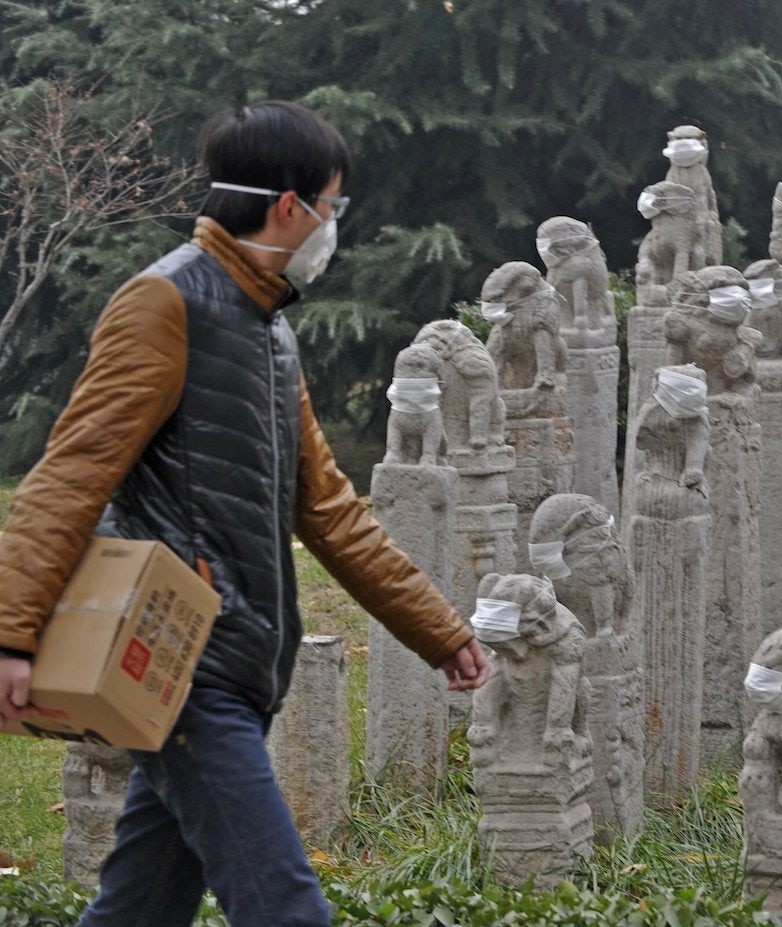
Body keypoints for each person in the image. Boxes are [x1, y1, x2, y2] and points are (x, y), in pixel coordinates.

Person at [0, 101, 491, 926]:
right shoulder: (165, 302)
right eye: (334, 205)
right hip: (184, 663)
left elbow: (330, 510)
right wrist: (11, 633)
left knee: (140, 908)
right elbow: (71, 474)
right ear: (291, 206)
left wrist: (440, 630)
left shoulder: (269, 331)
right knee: (287, 908)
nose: (336, 225)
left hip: (238, 662)